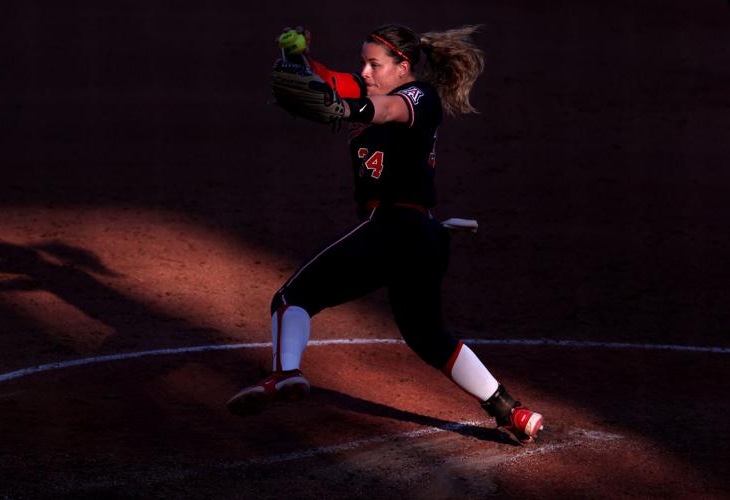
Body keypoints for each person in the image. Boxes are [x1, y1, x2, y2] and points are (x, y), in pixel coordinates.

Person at [227, 24, 544, 444]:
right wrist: (297, 57)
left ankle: (284, 374)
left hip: (393, 228)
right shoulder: (368, 86)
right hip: (425, 237)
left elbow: (386, 111)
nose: (366, 71)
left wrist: (345, 109)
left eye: (374, 64)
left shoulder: (419, 96)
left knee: (292, 298)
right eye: (363, 62)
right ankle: (511, 411)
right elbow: (329, 81)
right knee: (427, 335)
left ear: (403, 66)